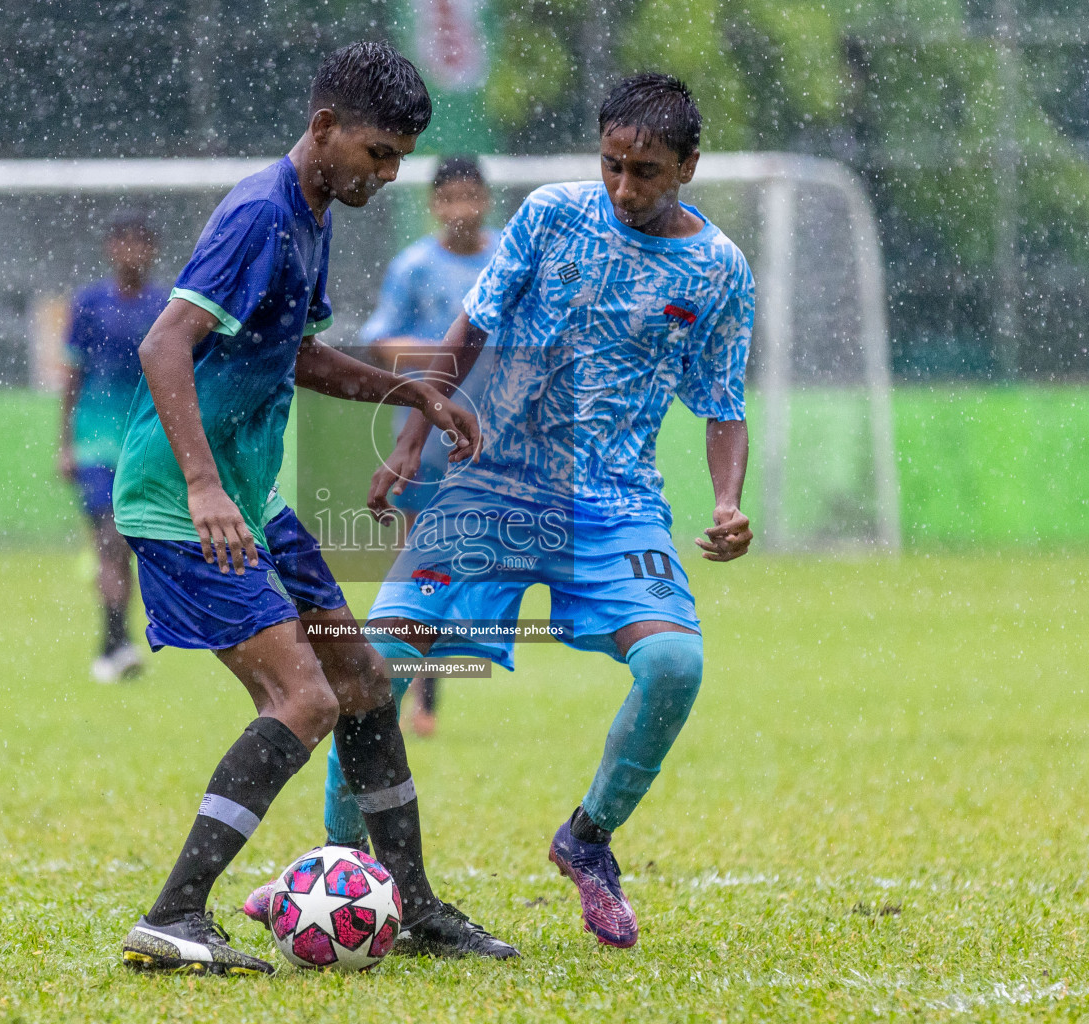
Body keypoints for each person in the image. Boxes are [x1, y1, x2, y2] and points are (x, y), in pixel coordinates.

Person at [292, 72, 755, 950]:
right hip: (490, 483)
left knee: (674, 668)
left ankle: (588, 839)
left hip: (614, 505)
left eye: (647, 172)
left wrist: (728, 502)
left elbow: (724, 404)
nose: (624, 188)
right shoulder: (551, 215)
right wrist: (409, 439)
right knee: (372, 664)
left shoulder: (721, 272)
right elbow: (470, 328)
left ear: (690, 167)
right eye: (613, 164)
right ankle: (339, 867)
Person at [112, 41, 518, 976]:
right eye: (379, 154)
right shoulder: (260, 213)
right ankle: (174, 914)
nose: (389, 175)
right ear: (326, 127)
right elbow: (166, 348)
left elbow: (292, 354)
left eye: (400, 161)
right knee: (303, 697)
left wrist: (408, 392)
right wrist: (207, 488)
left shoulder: (315, 209)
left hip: (250, 496)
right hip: (188, 502)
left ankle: (413, 908)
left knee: (364, 683)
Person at [358, 154, 499, 738]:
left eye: (471, 197)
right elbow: (380, 344)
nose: (461, 210)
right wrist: (445, 359)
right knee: (427, 565)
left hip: (501, 437)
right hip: (429, 436)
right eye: (450, 199)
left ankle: (440, 669)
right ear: (434, 205)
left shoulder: (506, 259)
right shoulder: (414, 267)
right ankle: (425, 697)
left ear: (486, 200)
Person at [58, 212, 168, 684]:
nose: (132, 253)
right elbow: (72, 375)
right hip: (95, 442)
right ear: (109, 249)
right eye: (123, 243)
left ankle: (113, 642)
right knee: (110, 539)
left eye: (140, 244)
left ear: (153, 250)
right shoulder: (88, 305)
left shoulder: (165, 305)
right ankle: (116, 641)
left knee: (133, 546)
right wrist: (64, 443)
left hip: (143, 442)